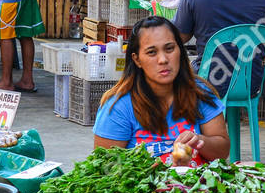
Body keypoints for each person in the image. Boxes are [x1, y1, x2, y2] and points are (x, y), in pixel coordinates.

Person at [93, 15, 230, 164]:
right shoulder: (118, 106)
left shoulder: (200, 93)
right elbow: (105, 169)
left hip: (197, 185)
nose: (163, 59)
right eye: (152, 52)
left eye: (169, 49)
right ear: (137, 59)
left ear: (180, 51)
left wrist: (199, 141)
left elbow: (222, 152)